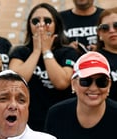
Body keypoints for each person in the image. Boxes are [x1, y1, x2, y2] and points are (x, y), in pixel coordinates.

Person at [9, 2, 79, 132]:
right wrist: (37, 51)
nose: (41, 25)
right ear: (29, 26)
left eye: (47, 21)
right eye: (35, 21)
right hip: (27, 125)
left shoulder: (68, 52)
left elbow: (62, 82)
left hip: (60, 121)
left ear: (56, 25)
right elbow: (15, 83)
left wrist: (46, 51)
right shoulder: (20, 52)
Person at [96, 7, 117, 101]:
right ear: (99, 34)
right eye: (105, 28)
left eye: (116, 25)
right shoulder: (95, 60)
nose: (112, 30)